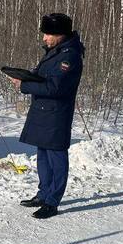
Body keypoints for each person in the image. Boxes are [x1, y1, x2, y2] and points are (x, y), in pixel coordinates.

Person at [9, 13, 84, 219]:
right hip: (43, 112)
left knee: (57, 158)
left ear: (61, 34)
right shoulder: (55, 51)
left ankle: (52, 201)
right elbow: (43, 77)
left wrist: (24, 85)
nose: (44, 38)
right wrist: (25, 76)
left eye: (48, 34)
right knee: (43, 156)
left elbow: (55, 87)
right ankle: (43, 194)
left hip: (56, 115)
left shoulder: (69, 56)